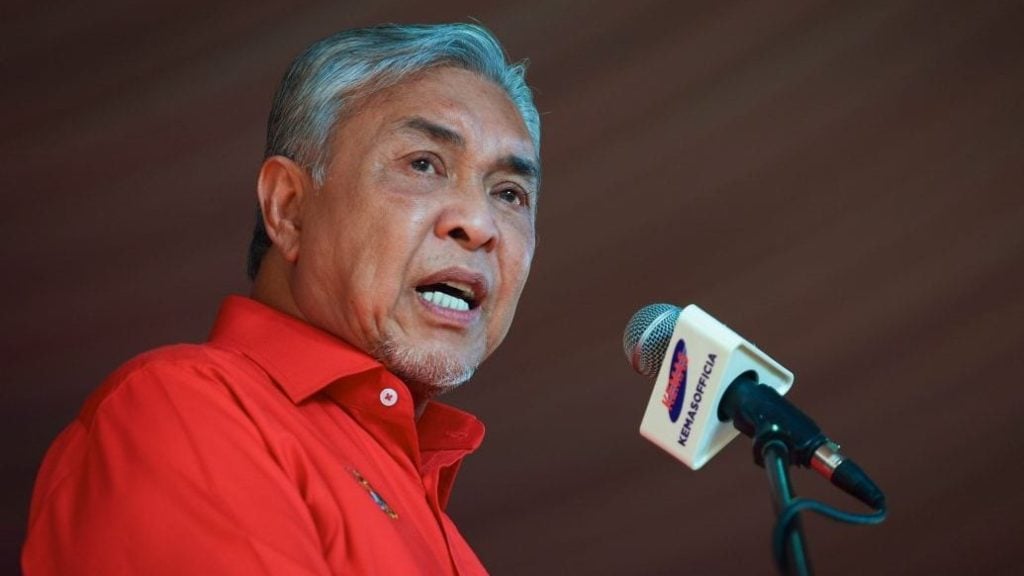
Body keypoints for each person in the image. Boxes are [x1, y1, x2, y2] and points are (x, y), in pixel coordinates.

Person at [22, 22, 541, 575]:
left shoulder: (431, 516)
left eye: (510, 194)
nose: (479, 224)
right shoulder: (187, 407)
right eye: (423, 164)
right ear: (289, 208)